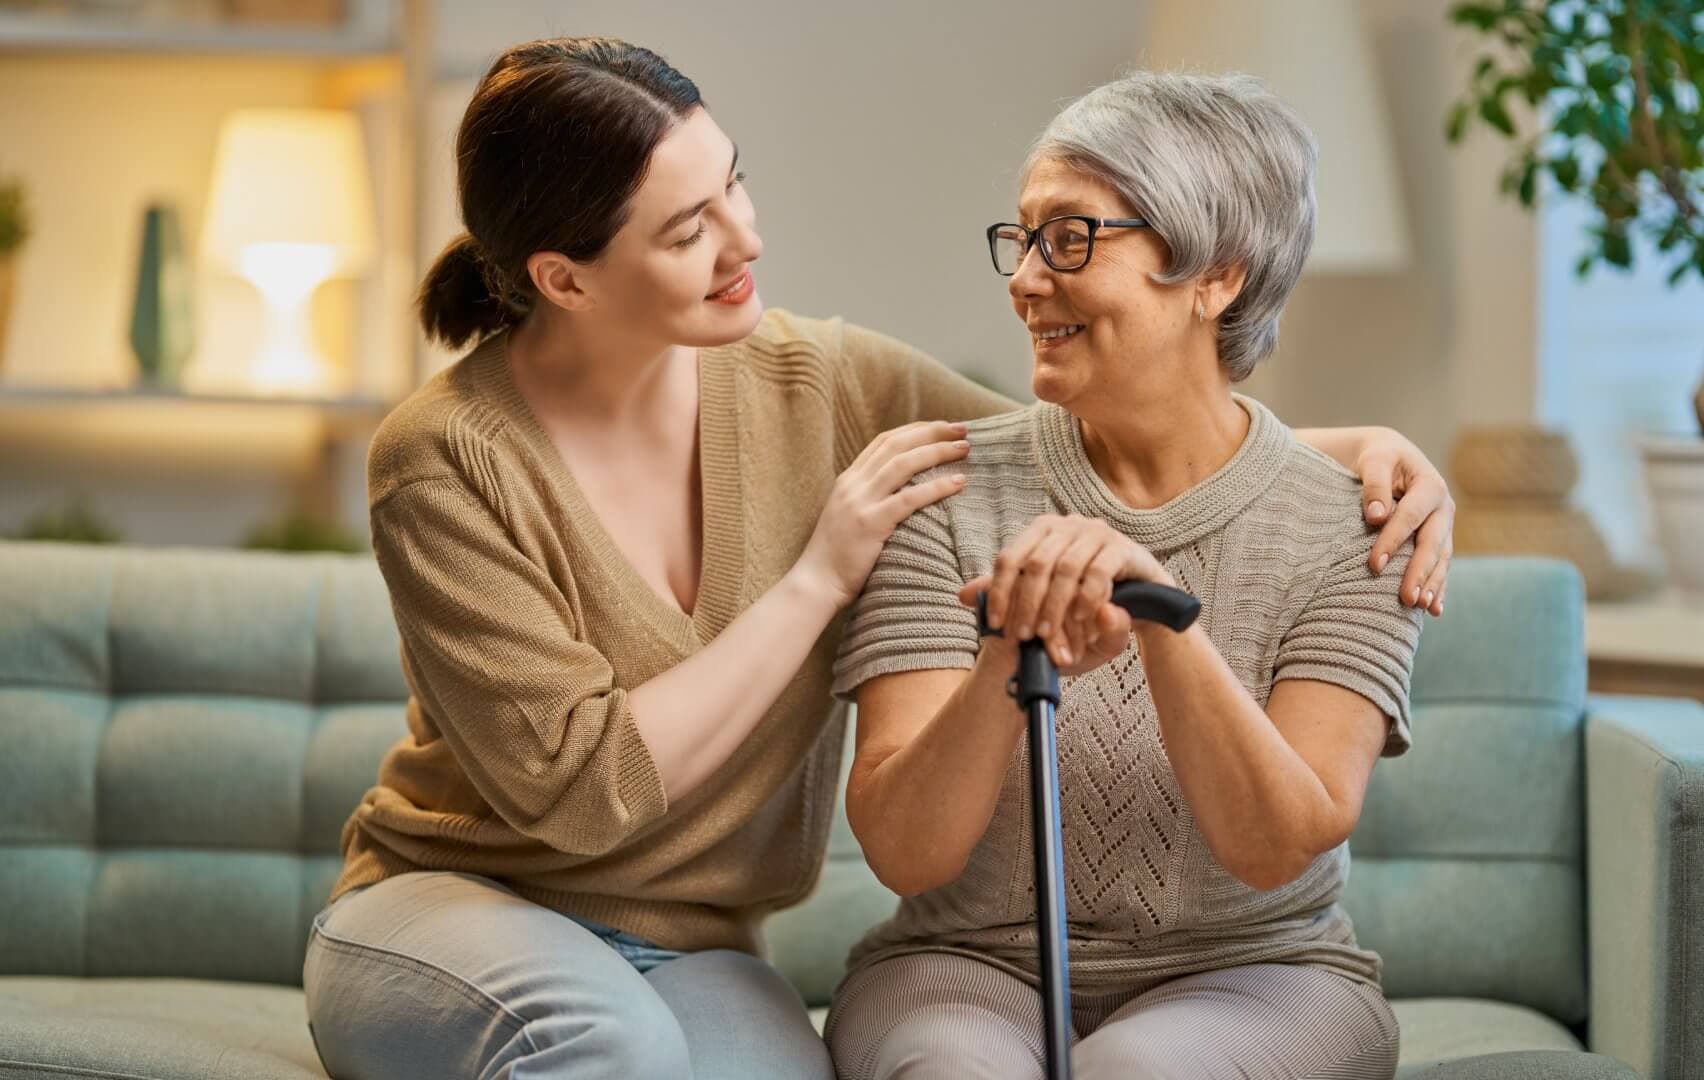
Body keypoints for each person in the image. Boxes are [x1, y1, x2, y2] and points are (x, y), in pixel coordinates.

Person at [303, 39, 1455, 1080]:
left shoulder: (822, 381)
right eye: (685, 228)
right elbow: (588, 798)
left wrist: (1361, 459)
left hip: (698, 946)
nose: (745, 239)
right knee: (610, 1048)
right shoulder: (444, 457)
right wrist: (819, 576)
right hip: (464, 905)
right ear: (565, 277)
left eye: (733, 185)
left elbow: (1102, 440)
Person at [827, 71, 1428, 1080]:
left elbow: (1280, 844)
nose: (1024, 277)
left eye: (1071, 238)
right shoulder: (944, 493)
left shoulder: (1356, 522)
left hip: (1263, 970)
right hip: (966, 966)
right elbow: (904, 852)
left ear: (1217, 275)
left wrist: (1163, 617)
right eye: (1022, 239)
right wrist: (1005, 657)